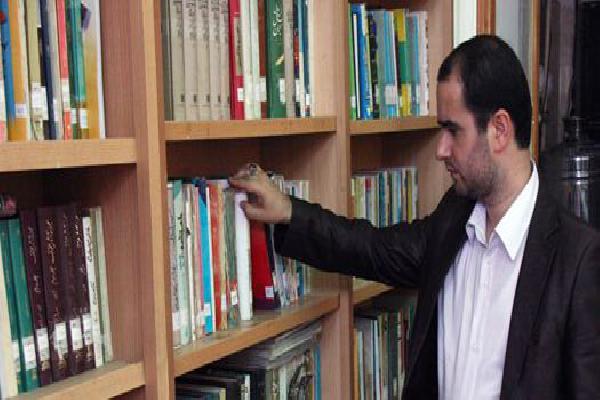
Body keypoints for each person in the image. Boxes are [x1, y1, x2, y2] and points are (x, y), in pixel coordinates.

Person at [229, 35, 600, 400]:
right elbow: (372, 249)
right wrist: (288, 212)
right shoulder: (454, 218)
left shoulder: (578, 258)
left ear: (499, 129)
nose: (440, 149)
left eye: (452, 130)